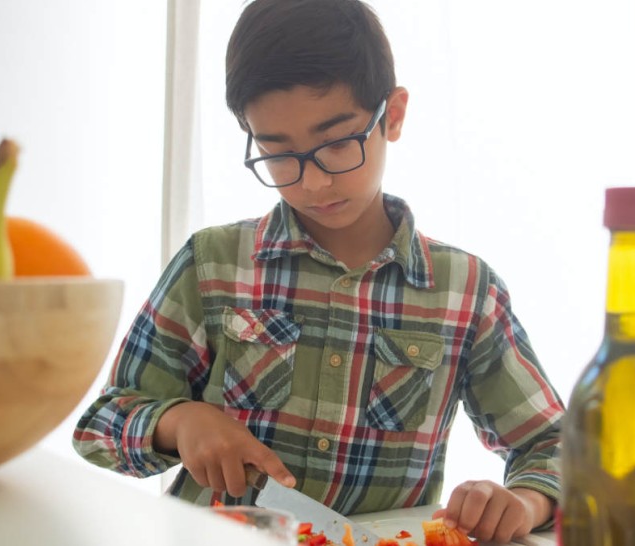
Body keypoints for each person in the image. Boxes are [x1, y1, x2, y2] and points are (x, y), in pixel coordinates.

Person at [73, 0, 564, 541]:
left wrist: (524, 501)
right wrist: (179, 423)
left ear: (392, 116)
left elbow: (556, 445)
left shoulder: (465, 291)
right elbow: (100, 426)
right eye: (277, 153)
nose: (312, 183)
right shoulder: (213, 265)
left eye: (335, 144)